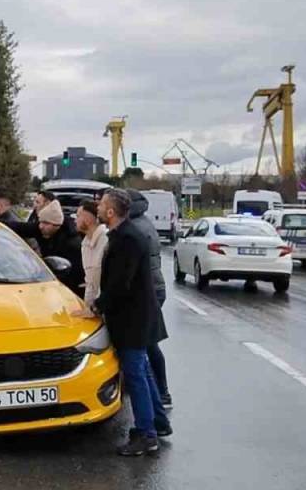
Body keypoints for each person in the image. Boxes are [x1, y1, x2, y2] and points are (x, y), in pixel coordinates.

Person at [93, 189, 171, 456]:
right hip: (138, 317)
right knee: (143, 371)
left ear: (111, 212)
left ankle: (146, 435)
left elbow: (119, 285)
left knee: (136, 375)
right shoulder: (125, 235)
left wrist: (97, 306)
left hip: (131, 320)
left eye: (102, 205)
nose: (98, 208)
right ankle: (158, 423)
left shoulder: (127, 239)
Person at [127, 189, 172, 408]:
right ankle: (160, 391)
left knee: (147, 343)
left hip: (150, 290)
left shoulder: (136, 228)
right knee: (147, 342)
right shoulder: (142, 222)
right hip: (154, 287)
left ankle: (161, 392)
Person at [2, 201, 85, 296]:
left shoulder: (72, 243)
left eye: (46, 223)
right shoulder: (40, 228)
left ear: (56, 225)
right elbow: (20, 227)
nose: (41, 226)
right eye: (40, 222)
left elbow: (73, 273)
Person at [76, 199, 108, 312]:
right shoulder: (85, 243)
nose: (75, 220)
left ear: (88, 219)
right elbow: (90, 282)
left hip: (106, 308)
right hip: (94, 308)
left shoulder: (106, 240)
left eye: (78, 215)